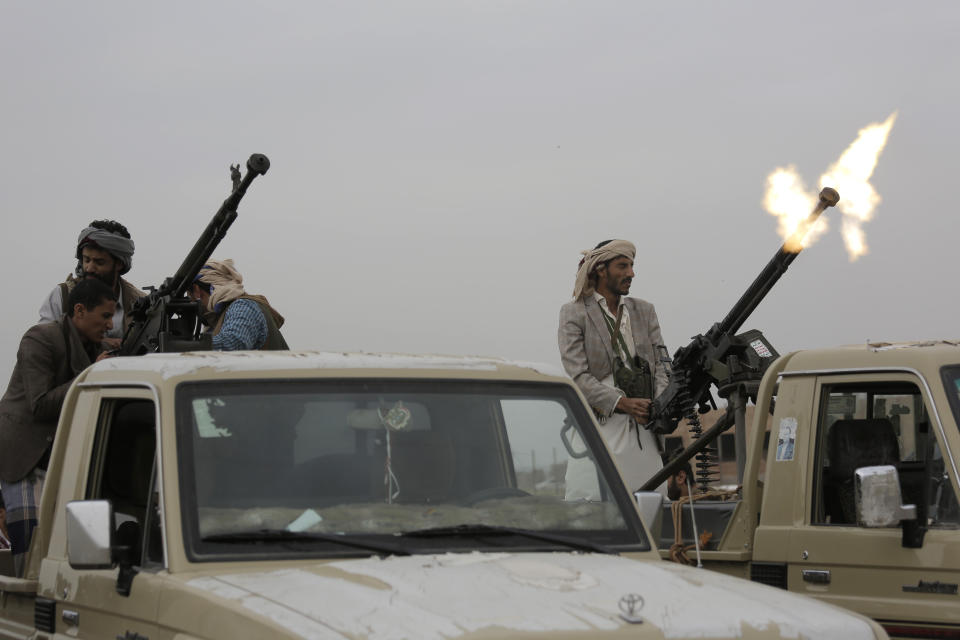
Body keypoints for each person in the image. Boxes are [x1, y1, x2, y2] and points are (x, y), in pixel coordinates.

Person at [0, 279, 117, 576]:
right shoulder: (39, 339)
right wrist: (93, 373)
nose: (110, 324)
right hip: (25, 460)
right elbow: (39, 405)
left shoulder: (95, 346)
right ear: (79, 310)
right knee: (30, 558)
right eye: (105, 316)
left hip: (59, 462)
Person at [559, 239, 670, 497]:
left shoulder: (644, 311)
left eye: (632, 266)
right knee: (593, 510)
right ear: (600, 269)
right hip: (600, 428)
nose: (631, 273)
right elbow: (578, 377)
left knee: (653, 509)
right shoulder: (574, 313)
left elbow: (663, 365)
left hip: (644, 431)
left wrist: (659, 404)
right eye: (622, 266)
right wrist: (623, 403)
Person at [39, 220, 144, 352]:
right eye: (86, 260)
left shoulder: (140, 302)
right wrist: (100, 344)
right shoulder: (62, 295)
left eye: (99, 262)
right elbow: (43, 343)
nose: (89, 268)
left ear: (119, 264)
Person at [187, 259, 288, 351]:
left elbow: (233, 344)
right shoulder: (219, 319)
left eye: (189, 294)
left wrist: (185, 348)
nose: (190, 300)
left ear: (197, 290)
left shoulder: (243, 306)